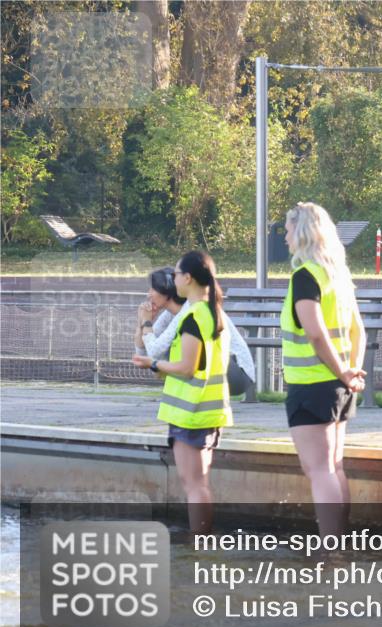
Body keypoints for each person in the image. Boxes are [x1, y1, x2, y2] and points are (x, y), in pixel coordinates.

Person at [281, 202, 366, 538]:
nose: (285, 237)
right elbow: (359, 329)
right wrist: (351, 373)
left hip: (312, 385)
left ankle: (330, 549)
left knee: (318, 471)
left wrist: (344, 373)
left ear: (301, 233)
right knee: (334, 467)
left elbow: (314, 333)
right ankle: (340, 540)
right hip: (339, 386)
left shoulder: (306, 276)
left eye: (287, 231)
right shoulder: (337, 276)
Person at [132, 251, 232, 534]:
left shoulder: (193, 316)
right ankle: (201, 544)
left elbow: (187, 367)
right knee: (197, 484)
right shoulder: (209, 311)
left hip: (193, 411)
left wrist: (153, 363)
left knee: (195, 486)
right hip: (202, 410)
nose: (173, 278)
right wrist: (160, 366)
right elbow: (194, 364)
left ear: (187, 278)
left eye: (176, 274)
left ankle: (199, 547)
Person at [134, 267, 256, 396]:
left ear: (166, 292)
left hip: (238, 373)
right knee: (167, 355)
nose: (149, 294)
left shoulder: (189, 309)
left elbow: (154, 351)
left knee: (170, 352)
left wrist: (147, 323)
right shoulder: (169, 315)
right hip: (221, 370)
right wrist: (141, 322)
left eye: (153, 289)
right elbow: (143, 353)